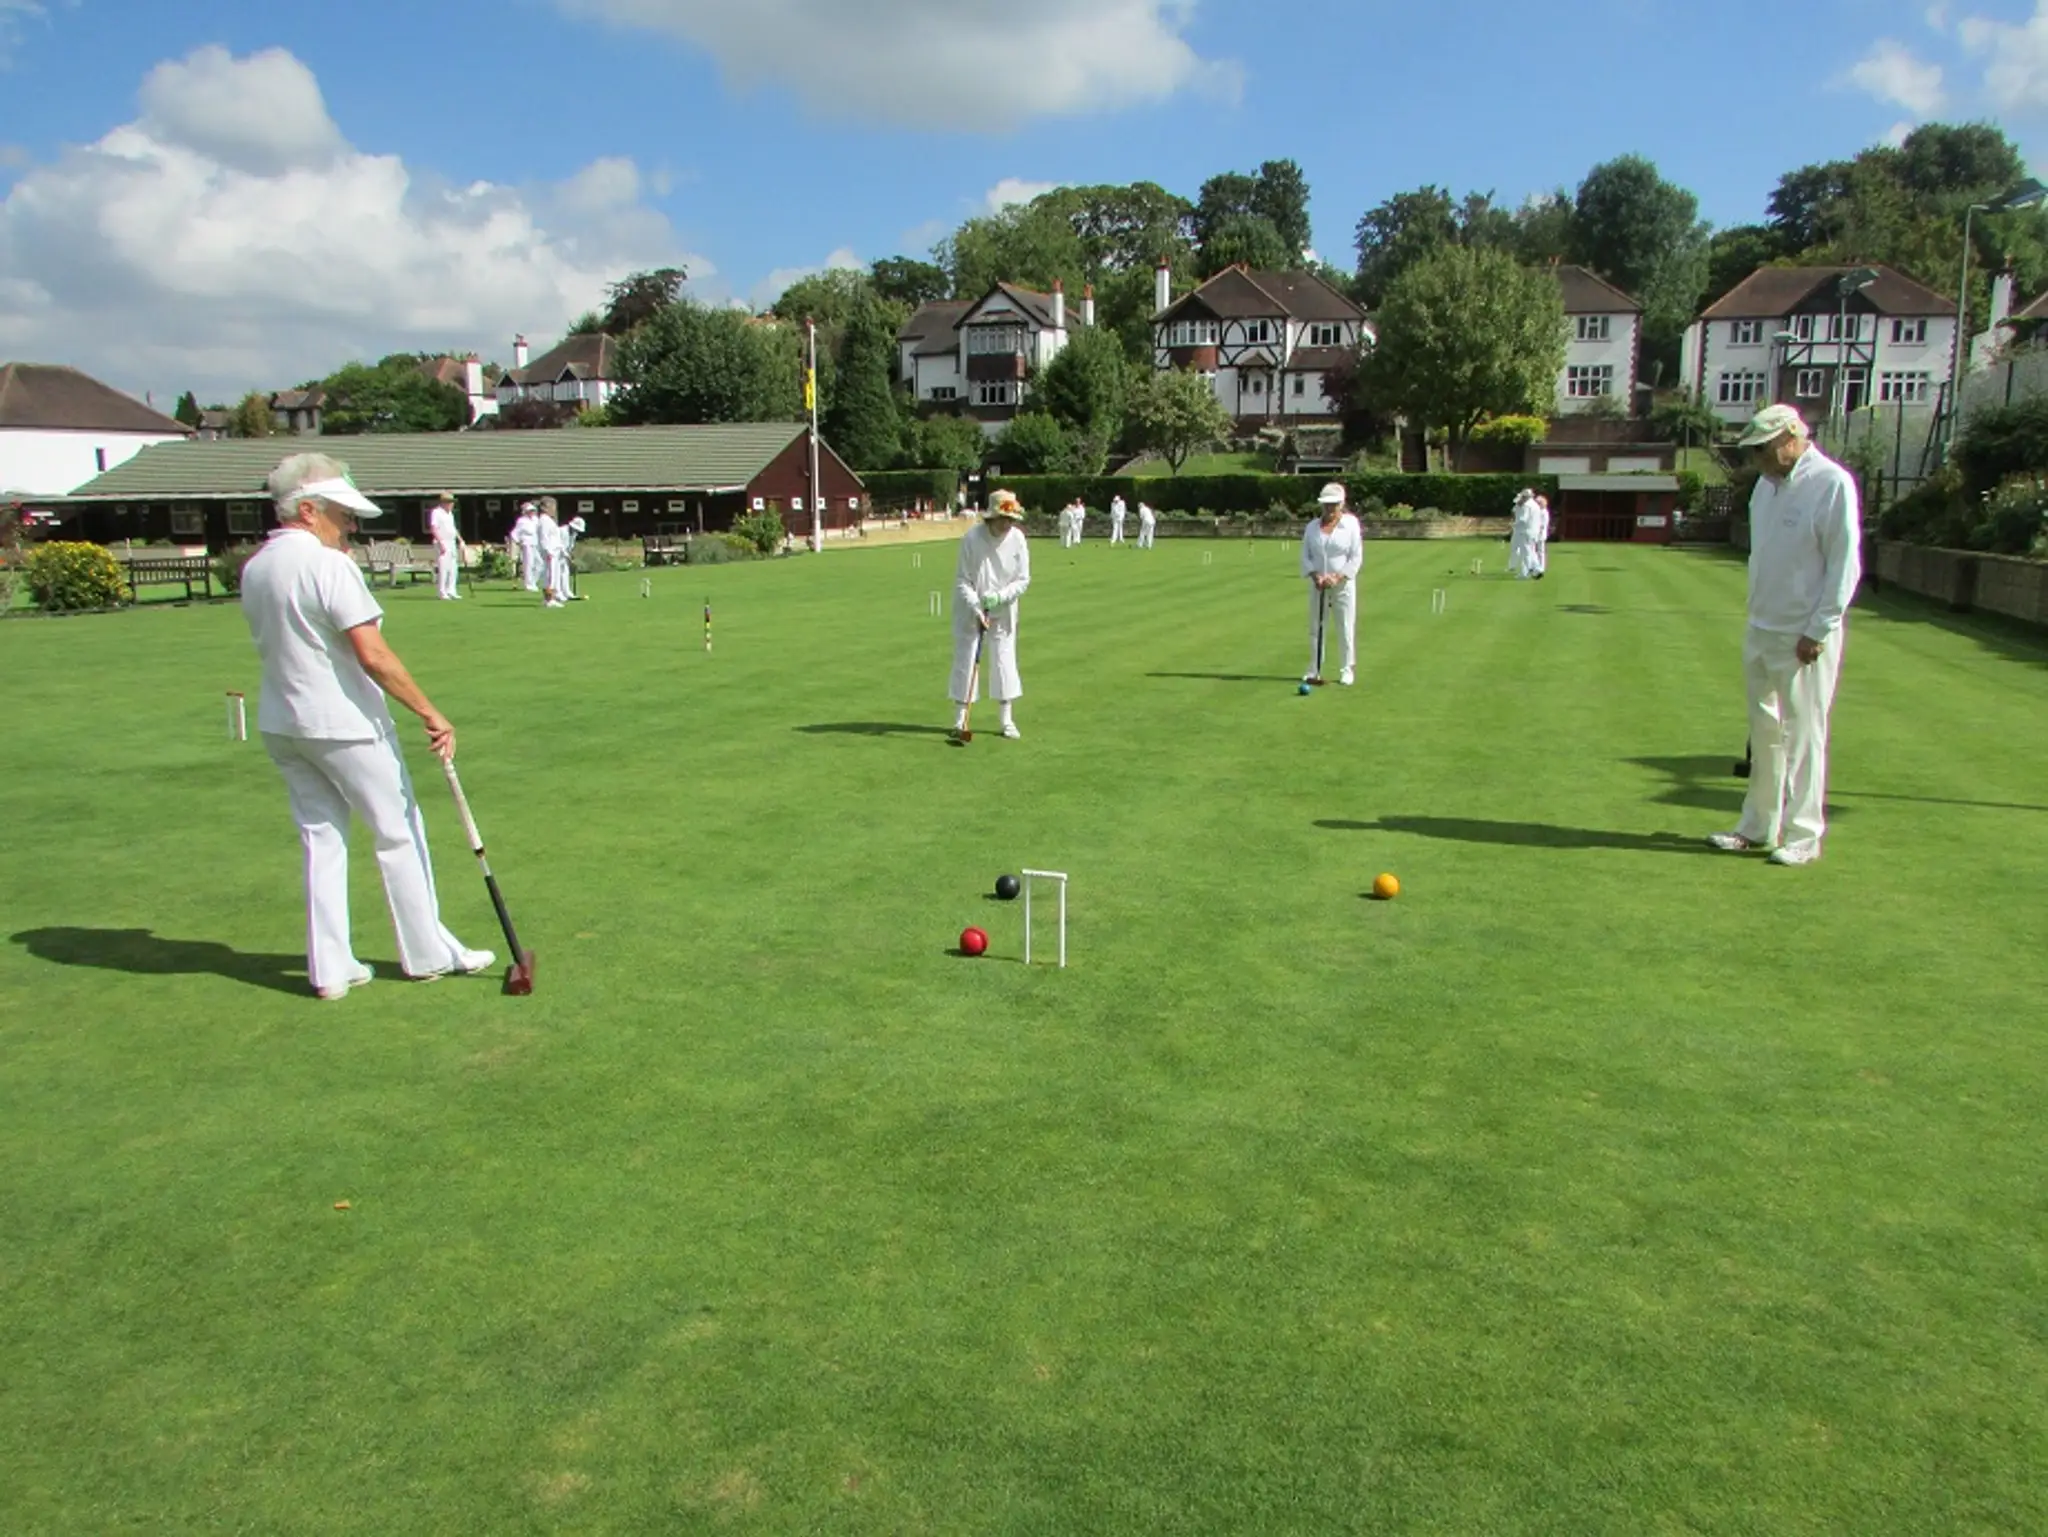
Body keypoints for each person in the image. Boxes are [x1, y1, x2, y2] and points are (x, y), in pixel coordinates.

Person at [239, 452, 493, 1000]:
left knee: (322, 840)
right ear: (308, 510)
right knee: (398, 831)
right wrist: (430, 711)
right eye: (342, 514)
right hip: (344, 724)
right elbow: (372, 654)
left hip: (283, 723)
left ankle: (331, 969)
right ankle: (428, 953)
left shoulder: (256, 566)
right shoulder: (329, 566)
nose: (351, 526)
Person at [1708, 404, 1862, 867]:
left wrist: (1819, 629)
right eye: (1753, 451)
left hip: (1803, 634)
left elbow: (1844, 564)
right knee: (1764, 732)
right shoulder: (1764, 489)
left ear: (1793, 436)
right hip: (1762, 625)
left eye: (1764, 448)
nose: (1758, 458)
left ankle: (1803, 835)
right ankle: (1756, 826)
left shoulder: (1831, 483)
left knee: (1804, 733)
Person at [949, 488, 1032, 741]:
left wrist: (1000, 597)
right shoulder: (972, 539)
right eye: (1004, 519)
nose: (1008, 524)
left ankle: (1006, 720)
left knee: (1004, 660)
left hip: (1004, 609)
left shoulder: (1017, 539)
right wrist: (977, 607)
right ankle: (960, 720)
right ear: (991, 517)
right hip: (970, 608)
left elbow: (1023, 579)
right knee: (966, 660)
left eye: (1012, 519)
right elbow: (963, 580)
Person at [1300, 482, 1364, 686]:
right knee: (1315, 628)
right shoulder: (1311, 527)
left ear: (1342, 504)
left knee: (1345, 626)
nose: (1330, 509)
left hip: (1343, 586)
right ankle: (1314, 668)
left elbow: (1355, 557)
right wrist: (1315, 575)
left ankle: (1347, 669)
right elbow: (1305, 556)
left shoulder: (1351, 524)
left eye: (1334, 505)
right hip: (1318, 585)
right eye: (1327, 505)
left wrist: (1338, 577)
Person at [427, 491, 463, 600]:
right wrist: (441, 542)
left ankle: (451, 590)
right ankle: (442, 592)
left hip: (451, 542)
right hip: (442, 542)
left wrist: (461, 540)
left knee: (453, 567)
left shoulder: (450, 514)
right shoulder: (436, 512)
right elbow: (433, 529)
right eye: (449, 502)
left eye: (452, 502)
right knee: (443, 567)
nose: (452, 504)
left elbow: (453, 529)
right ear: (443, 502)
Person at [535, 496, 568, 609]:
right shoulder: (544, 521)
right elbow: (544, 538)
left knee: (552, 576)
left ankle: (551, 598)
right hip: (550, 552)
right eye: (552, 507)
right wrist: (547, 551)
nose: (554, 509)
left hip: (554, 551)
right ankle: (549, 599)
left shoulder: (549, 520)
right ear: (545, 508)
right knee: (550, 576)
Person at [508, 502, 540, 591]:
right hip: (527, 544)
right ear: (526, 512)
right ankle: (528, 584)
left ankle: (533, 581)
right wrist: (517, 543)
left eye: (533, 511)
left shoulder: (536, 520)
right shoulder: (522, 521)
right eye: (530, 511)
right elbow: (514, 533)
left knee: (539, 564)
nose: (532, 512)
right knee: (529, 564)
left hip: (536, 543)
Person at [558, 514, 588, 601]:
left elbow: (570, 545)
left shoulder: (574, 533)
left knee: (565, 573)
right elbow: (560, 545)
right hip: (556, 555)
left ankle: (567, 592)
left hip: (564, 555)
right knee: (557, 574)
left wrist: (570, 554)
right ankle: (558, 593)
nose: (577, 531)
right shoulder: (562, 531)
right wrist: (567, 555)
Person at [1507, 489, 1534, 578]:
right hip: (1520, 531)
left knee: (1525, 552)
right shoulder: (1519, 506)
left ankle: (1528, 571)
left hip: (1524, 531)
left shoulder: (1527, 506)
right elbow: (1515, 514)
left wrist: (1513, 524)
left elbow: (1524, 520)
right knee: (1520, 550)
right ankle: (1518, 568)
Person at [1529, 494, 1552, 578]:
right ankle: (1534, 566)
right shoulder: (1537, 512)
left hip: (1540, 534)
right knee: (1533, 551)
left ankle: (1540, 568)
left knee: (1540, 551)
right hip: (1535, 534)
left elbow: (1542, 525)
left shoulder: (1544, 513)